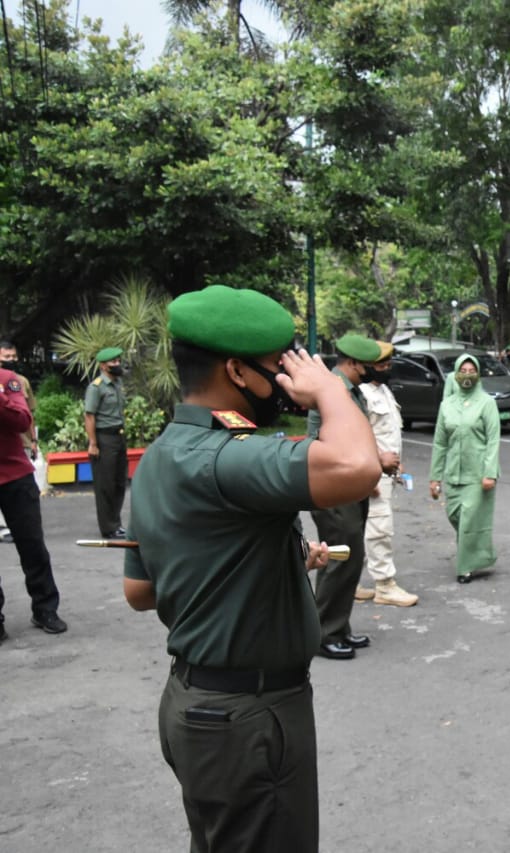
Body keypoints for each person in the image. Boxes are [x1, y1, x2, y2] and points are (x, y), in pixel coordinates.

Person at [121, 284, 381, 851]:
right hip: (250, 716)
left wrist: (275, 557)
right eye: (276, 368)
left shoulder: (162, 454)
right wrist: (331, 391)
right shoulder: (228, 456)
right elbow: (358, 467)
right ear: (237, 372)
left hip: (193, 705)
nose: (285, 383)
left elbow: (141, 589)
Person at [309, 333, 398, 660]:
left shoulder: (349, 391)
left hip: (348, 486)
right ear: (351, 363)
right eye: (369, 366)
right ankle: (323, 633)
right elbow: (333, 445)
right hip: (334, 488)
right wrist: (377, 462)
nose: (375, 370)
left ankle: (338, 626)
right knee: (339, 560)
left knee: (350, 559)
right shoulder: (334, 393)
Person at [0, 362, 66, 642]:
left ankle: (45, 609)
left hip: (15, 476)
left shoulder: (8, 380)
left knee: (32, 546)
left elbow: (22, 420)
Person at [354, 341, 418, 607]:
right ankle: (385, 586)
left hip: (386, 471)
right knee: (379, 529)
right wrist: (368, 476)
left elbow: (387, 433)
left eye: (389, 364)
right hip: (372, 472)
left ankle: (350, 581)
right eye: (381, 365)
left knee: (362, 528)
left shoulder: (384, 392)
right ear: (367, 366)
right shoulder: (361, 394)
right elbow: (359, 437)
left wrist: (398, 464)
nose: (386, 369)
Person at [429, 354, 500, 584]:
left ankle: (465, 568)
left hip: (478, 474)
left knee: (469, 520)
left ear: (478, 374)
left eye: (472, 370)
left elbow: (493, 440)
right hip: (453, 473)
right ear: (456, 374)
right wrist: (435, 477)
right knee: (455, 516)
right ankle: (481, 554)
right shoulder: (446, 405)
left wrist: (490, 473)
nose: (467, 375)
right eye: (463, 370)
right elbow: (440, 443)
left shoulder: (486, 403)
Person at [84, 346, 128, 538]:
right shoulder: (96, 387)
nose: (117, 364)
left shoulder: (117, 384)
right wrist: (93, 443)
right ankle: (108, 528)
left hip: (119, 437)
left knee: (119, 482)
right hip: (104, 438)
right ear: (103, 366)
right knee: (106, 485)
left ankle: (116, 523)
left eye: (118, 361)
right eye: (113, 362)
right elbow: (89, 416)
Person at [0, 341, 37, 542]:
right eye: (7, 357)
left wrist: (34, 440)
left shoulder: (11, 380)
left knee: (33, 547)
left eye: (13, 357)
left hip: (14, 464)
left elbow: (26, 416)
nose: (11, 361)